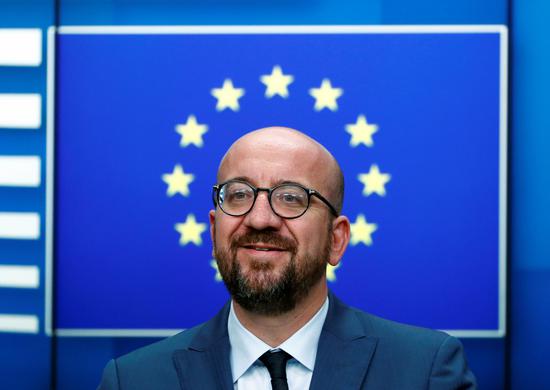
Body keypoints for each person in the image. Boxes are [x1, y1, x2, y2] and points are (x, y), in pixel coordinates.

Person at [98, 127, 477, 390]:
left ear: (337, 239)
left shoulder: (424, 372)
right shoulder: (132, 381)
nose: (260, 218)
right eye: (238, 194)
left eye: (292, 197)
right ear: (214, 231)